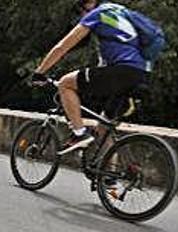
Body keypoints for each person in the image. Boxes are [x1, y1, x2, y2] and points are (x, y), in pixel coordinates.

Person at [32, 0, 151, 154]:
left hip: (122, 72)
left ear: (88, 4)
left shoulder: (97, 14)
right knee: (102, 127)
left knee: (65, 84)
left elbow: (62, 46)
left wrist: (40, 72)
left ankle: (79, 134)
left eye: (80, 11)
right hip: (142, 75)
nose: (81, 16)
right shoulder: (122, 17)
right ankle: (110, 175)